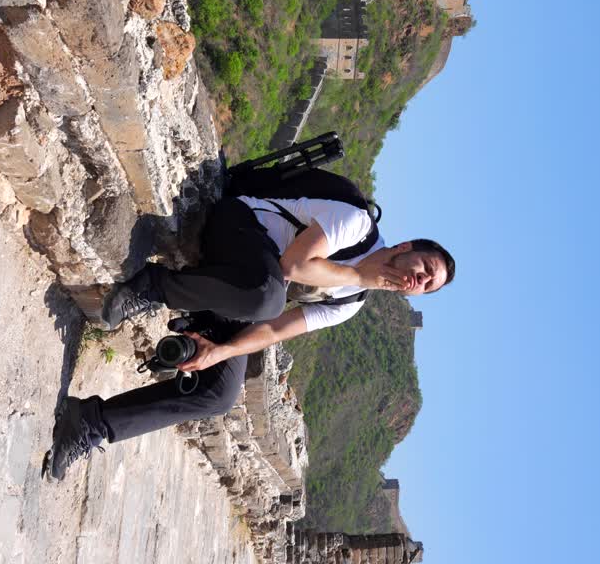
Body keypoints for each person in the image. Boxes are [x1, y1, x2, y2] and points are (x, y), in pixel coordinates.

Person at [43, 190, 455, 481]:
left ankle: (89, 423)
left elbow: (276, 330)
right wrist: (355, 273)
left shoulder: (352, 302)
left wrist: (219, 351)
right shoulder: (357, 226)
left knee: (217, 394)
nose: (417, 279)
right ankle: (151, 286)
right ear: (405, 246)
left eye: (425, 284)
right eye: (423, 267)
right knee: (270, 296)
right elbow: (293, 265)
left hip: (239, 297)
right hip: (238, 227)